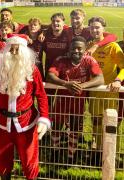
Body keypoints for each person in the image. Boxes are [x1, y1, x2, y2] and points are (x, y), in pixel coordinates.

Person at [0, 34, 51, 180]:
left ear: (24, 52)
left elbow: (41, 95)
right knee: (3, 158)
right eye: (11, 49)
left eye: (17, 50)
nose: (14, 53)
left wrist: (44, 118)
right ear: (6, 51)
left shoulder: (32, 71)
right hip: (2, 124)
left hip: (26, 124)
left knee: (29, 160)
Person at [47, 36, 104, 160]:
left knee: (75, 128)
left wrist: (82, 86)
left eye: (79, 49)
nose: (76, 51)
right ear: (69, 49)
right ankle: (55, 152)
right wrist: (66, 84)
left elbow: (100, 78)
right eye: (73, 48)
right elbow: (50, 76)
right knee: (57, 126)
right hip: (62, 101)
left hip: (78, 102)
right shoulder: (61, 60)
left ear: (84, 50)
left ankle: (71, 155)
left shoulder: (89, 60)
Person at [88, 16, 124, 164]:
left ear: (104, 28)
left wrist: (117, 80)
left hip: (110, 91)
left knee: (110, 122)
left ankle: (110, 153)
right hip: (94, 90)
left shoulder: (113, 46)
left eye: (97, 27)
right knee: (96, 121)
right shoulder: (88, 45)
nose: (95, 30)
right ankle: (97, 150)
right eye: (92, 27)